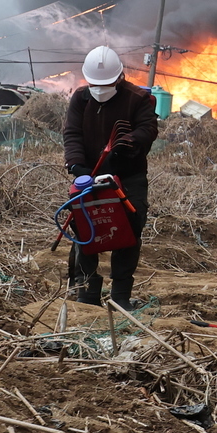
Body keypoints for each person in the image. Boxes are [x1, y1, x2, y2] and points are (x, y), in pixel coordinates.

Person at [63, 46, 158, 309]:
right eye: (95, 84)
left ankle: (120, 298)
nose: (100, 88)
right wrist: (76, 165)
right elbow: (72, 134)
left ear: (119, 78)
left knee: (129, 231)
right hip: (88, 178)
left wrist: (126, 146)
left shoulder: (136, 99)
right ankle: (87, 293)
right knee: (85, 230)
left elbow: (148, 128)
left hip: (129, 176)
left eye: (106, 84)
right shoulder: (81, 99)